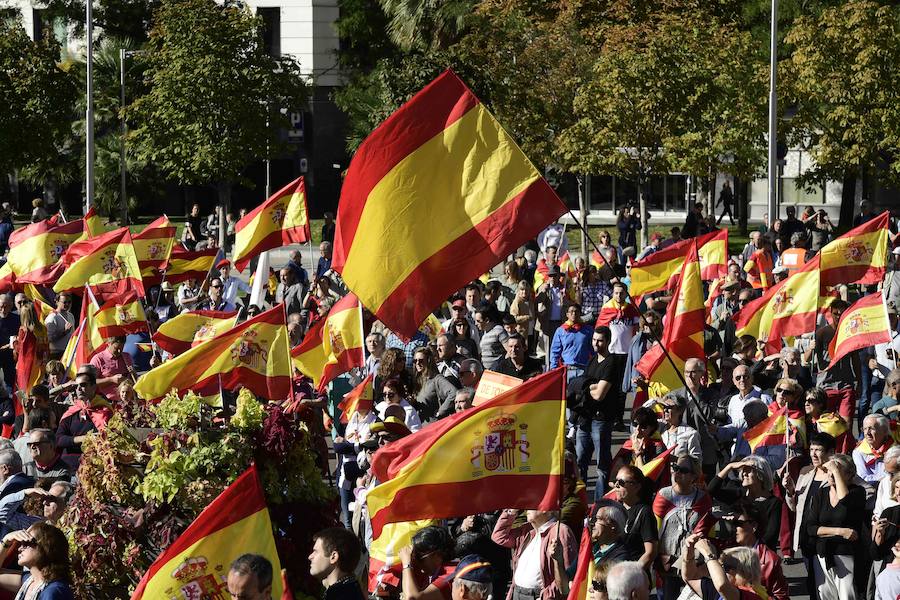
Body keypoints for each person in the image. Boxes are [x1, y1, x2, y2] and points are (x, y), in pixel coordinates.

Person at [652, 453, 714, 599]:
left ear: (694, 476)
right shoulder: (664, 495)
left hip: (695, 562)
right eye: (675, 468)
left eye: (683, 470)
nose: (677, 472)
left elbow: (707, 531)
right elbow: (655, 531)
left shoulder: (703, 498)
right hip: (667, 562)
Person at [806, 453, 867, 600]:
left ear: (850, 474)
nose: (831, 474)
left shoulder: (858, 492)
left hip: (846, 554)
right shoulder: (821, 494)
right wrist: (840, 531)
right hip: (823, 554)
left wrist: (834, 469)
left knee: (848, 596)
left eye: (837, 470)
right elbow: (812, 528)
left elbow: (844, 499)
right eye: (829, 470)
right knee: (825, 596)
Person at [490, 509, 577, 600]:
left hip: (539, 596)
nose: (527, 508)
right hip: (517, 592)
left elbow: (567, 574)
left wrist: (548, 595)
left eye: (533, 504)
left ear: (546, 509)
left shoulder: (560, 531)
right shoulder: (527, 529)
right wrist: (511, 512)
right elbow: (499, 536)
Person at [574, 326, 618, 498]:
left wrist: (587, 388)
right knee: (580, 464)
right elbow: (584, 386)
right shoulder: (592, 361)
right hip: (585, 418)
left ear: (607, 341)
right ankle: (580, 501)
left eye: (600, 340)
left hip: (601, 419)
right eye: (594, 340)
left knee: (601, 466)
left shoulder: (611, 362)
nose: (596, 344)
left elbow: (599, 394)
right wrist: (590, 386)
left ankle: (600, 502)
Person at [729, 501, 789, 600]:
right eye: (732, 523)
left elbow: (781, 597)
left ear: (753, 526)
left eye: (738, 523)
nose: (734, 528)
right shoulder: (726, 551)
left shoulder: (770, 560)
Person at [0, 522, 74, 599]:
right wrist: (6, 540)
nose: (20, 548)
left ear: (46, 547)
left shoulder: (54, 592)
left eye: (26, 543)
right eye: (20, 544)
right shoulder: (30, 581)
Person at [682, 535, 765, 600]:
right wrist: (689, 552)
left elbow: (722, 586)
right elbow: (690, 578)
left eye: (723, 567)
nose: (720, 570)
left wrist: (709, 554)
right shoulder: (719, 591)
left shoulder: (752, 595)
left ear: (742, 571)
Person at [610, 466, 658, 570]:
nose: (616, 485)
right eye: (615, 481)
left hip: (633, 578)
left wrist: (632, 573)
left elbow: (650, 553)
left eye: (622, 482)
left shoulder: (644, 512)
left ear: (636, 487)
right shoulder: (614, 510)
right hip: (612, 574)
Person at [55, 370, 111, 458]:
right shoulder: (71, 412)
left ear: (94, 387)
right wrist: (81, 438)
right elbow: (58, 439)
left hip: (96, 460)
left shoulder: (104, 411)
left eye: (83, 385)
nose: (79, 389)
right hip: (70, 462)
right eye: (76, 386)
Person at [309, 527, 364, 600]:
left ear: (333, 557)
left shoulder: (343, 595)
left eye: (315, 551)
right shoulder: (349, 590)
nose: (310, 557)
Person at [412, 347, 458, 422]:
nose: (417, 363)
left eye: (421, 360)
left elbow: (454, 393)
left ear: (429, 361)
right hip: (420, 426)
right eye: (415, 361)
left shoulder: (437, 379)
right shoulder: (418, 381)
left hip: (434, 426)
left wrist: (440, 412)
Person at [549, 304, 592, 380]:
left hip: (583, 369)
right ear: (567, 314)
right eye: (571, 312)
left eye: (576, 311)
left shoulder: (588, 330)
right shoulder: (561, 331)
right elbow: (555, 351)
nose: (574, 314)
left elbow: (593, 350)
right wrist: (553, 369)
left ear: (580, 313)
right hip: (567, 369)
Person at [88, 336, 135, 401]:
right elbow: (90, 382)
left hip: (127, 401)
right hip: (106, 402)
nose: (119, 351)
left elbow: (134, 379)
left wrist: (133, 374)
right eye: (116, 348)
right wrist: (111, 379)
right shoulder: (98, 359)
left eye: (122, 348)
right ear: (109, 343)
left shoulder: (126, 356)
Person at [657, 394, 701, 461]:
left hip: (678, 471)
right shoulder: (660, 426)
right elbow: (640, 418)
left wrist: (676, 459)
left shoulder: (690, 433)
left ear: (680, 410)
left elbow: (696, 462)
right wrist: (654, 400)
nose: (665, 410)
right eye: (664, 406)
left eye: (669, 407)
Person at [854, 413, 894, 484]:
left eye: (872, 428)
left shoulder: (894, 450)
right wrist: (887, 477)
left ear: (884, 431)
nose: (867, 433)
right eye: (865, 429)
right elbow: (862, 478)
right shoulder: (859, 451)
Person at [43, 294, 74, 361]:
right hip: (56, 354)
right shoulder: (52, 317)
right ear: (57, 302)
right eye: (64, 302)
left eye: (69, 302)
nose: (67, 304)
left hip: (69, 352)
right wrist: (64, 332)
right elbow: (49, 339)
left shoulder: (71, 316)